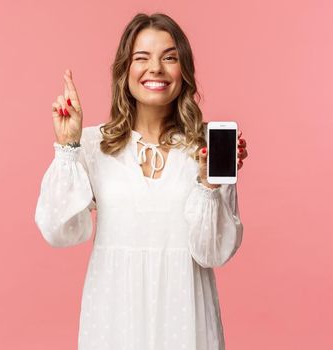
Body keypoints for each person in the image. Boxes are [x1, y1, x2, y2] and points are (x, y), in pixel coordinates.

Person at [34, 12, 249, 350]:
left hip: (185, 317)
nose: (156, 69)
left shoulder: (204, 147)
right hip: (114, 317)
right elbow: (58, 230)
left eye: (170, 57)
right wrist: (68, 147)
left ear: (185, 71)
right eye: (142, 58)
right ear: (125, 70)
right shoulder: (93, 145)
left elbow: (212, 253)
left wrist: (209, 184)